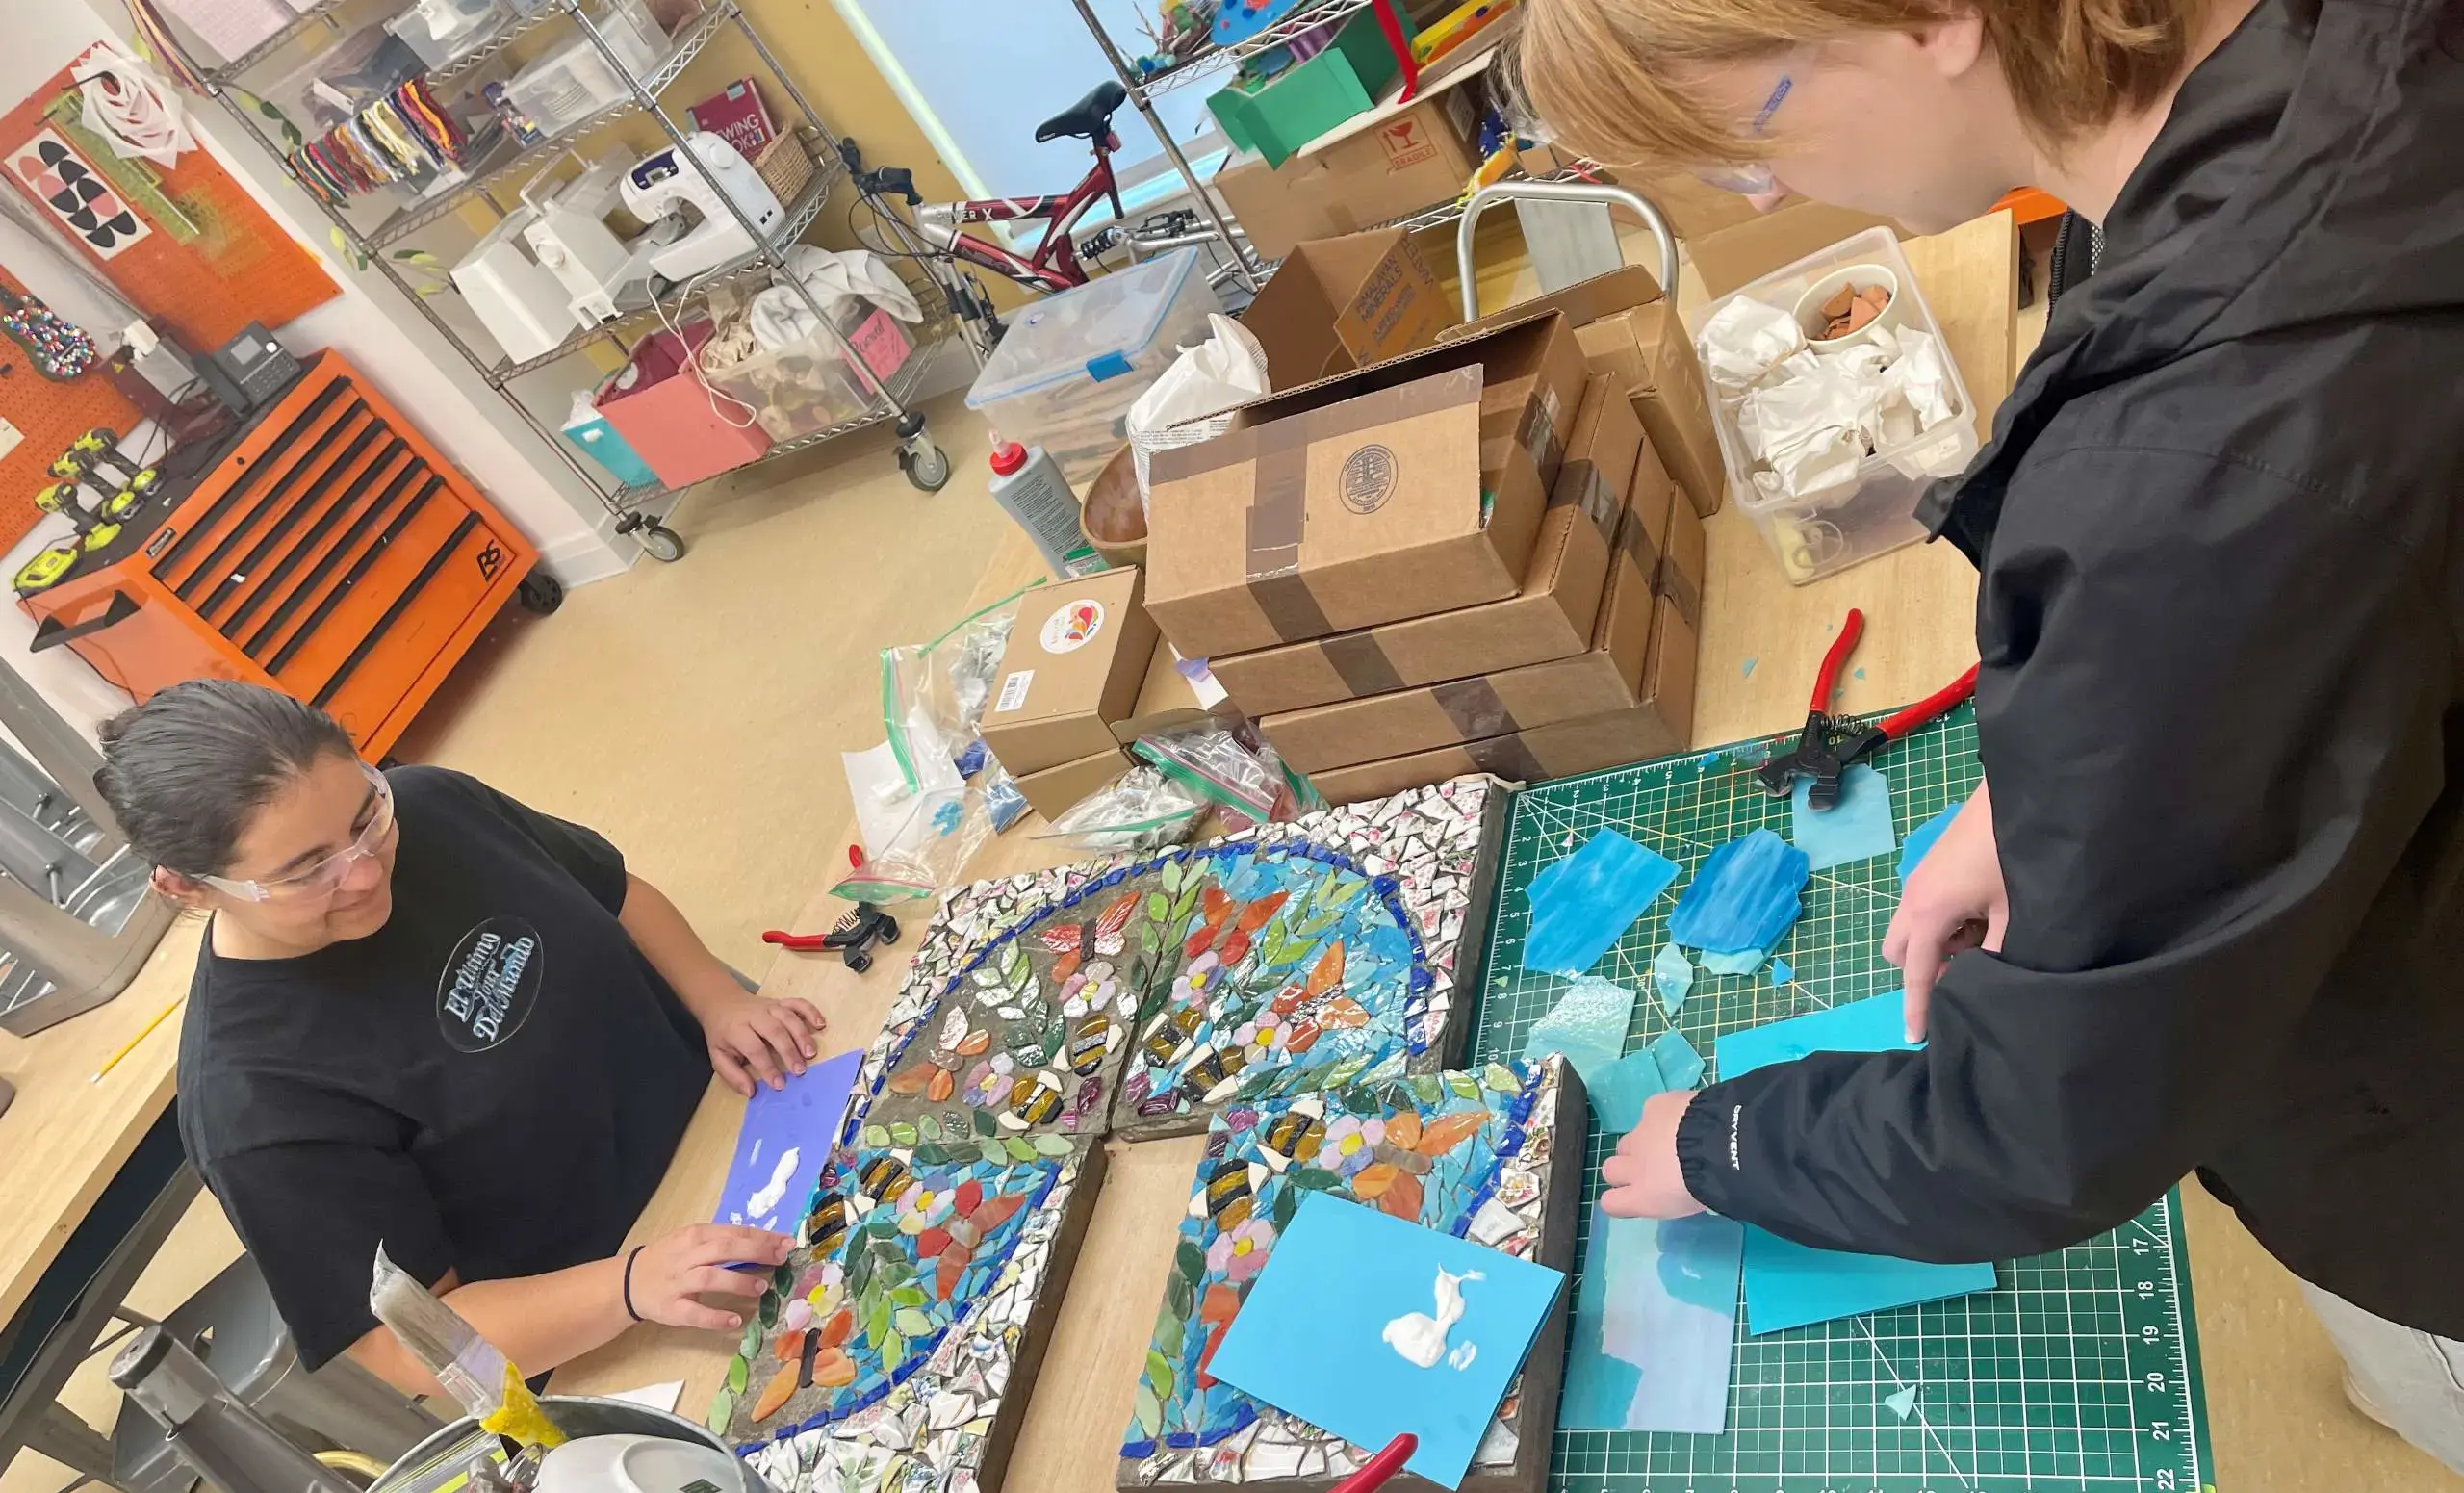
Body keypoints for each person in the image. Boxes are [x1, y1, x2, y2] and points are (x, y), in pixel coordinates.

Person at [1515, 0, 2464, 1471]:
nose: (1758, 195)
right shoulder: (2298, 96)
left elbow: (2044, 1127)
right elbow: (2318, 629)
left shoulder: (2202, 471)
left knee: (2418, 1395)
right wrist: (2060, 780)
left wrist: (1731, 1141)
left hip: (2428, 1149)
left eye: (1751, 131)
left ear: (1932, 17)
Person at [98, 680, 831, 1395]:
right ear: (186, 887)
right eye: (307, 870)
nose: (362, 871)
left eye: (364, 817)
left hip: (746, 1125)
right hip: (617, 1311)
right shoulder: (253, 1099)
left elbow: (613, 889)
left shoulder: (430, 807)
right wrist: (632, 1283)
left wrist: (718, 997)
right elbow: (405, 1344)